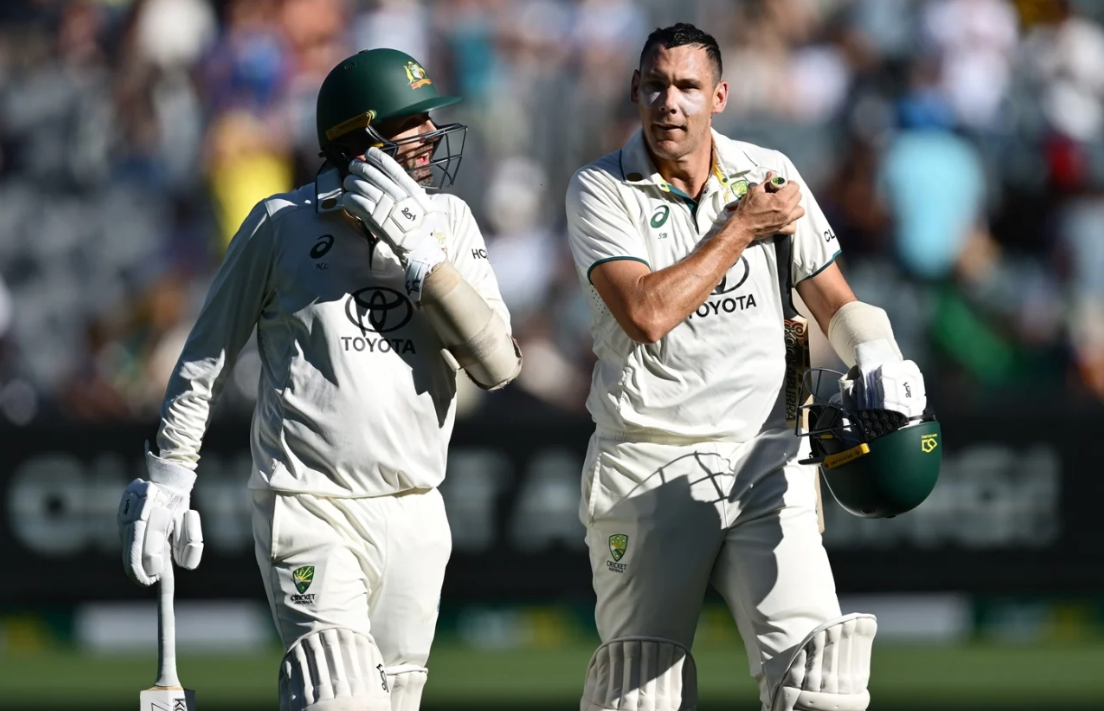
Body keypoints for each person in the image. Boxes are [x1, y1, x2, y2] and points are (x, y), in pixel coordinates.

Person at [117, 48, 521, 711]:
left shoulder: (448, 223)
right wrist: (170, 476)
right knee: (336, 695)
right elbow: (205, 356)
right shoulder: (281, 226)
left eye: (429, 121)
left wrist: (424, 261)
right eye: (409, 123)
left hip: (416, 504)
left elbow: (497, 364)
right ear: (358, 138)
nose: (428, 137)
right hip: (308, 503)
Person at [565, 24, 928, 711]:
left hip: (769, 459)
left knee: (824, 684)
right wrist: (739, 228)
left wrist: (878, 352)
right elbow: (646, 313)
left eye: (687, 87)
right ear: (635, 91)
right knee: (639, 692)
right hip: (649, 461)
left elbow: (836, 302)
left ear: (719, 95)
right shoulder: (601, 189)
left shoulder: (769, 175)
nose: (669, 102)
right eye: (654, 85)